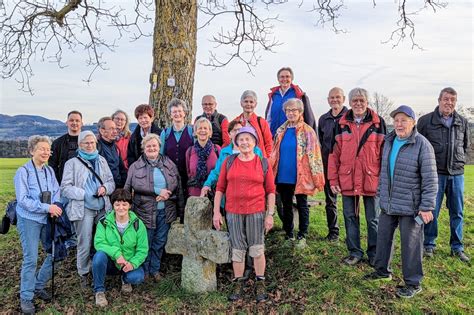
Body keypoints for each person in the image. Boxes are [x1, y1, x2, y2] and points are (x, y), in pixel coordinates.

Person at [364, 105, 437, 299]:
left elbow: (430, 178)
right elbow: (384, 170)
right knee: (383, 237)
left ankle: (413, 283)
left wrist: (427, 207)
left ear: (413, 122)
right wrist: (380, 192)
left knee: (411, 244)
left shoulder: (422, 145)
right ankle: (381, 271)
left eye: (404, 120)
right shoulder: (389, 141)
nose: (399, 124)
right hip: (388, 203)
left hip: (410, 206)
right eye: (396, 120)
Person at [213, 126, 276, 303]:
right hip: (233, 212)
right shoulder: (229, 161)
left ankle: (260, 281)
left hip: (256, 212)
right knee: (238, 249)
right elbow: (220, 189)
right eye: (241, 139)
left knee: (256, 248)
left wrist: (270, 214)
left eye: (248, 139)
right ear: (236, 142)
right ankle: (239, 282)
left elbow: (271, 190)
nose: (244, 142)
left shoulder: (262, 163)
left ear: (255, 142)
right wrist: (216, 212)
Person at [328, 88, 386, 266]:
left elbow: (384, 152)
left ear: (367, 102)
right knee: (350, 217)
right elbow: (333, 153)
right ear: (350, 103)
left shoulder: (378, 123)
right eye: (355, 101)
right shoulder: (342, 123)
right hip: (348, 178)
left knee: (373, 219)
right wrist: (333, 179)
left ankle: (375, 253)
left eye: (362, 100)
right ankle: (354, 252)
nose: (358, 104)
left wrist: (384, 180)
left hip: (371, 178)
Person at [418, 87, 471, 262]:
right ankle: (429, 245)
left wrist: (458, 162)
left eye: (452, 100)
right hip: (435, 174)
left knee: (457, 212)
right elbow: (419, 147)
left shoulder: (462, 121)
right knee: (431, 210)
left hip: (457, 174)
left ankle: (457, 247)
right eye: (446, 99)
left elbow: (465, 146)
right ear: (439, 100)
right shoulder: (425, 121)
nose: (449, 103)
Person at [125, 133, 185, 281]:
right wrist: (157, 191)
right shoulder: (136, 167)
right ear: (143, 148)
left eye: (154, 145)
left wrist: (170, 197)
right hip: (144, 212)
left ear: (159, 147)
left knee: (159, 242)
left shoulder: (169, 164)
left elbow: (178, 185)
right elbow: (131, 186)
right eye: (148, 146)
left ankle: (155, 270)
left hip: (165, 211)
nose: (151, 148)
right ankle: (144, 271)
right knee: (145, 243)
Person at [14, 135, 63, 314]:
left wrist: (56, 205)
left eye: (47, 149)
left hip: (48, 218)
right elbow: (23, 200)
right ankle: (26, 297)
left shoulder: (49, 171)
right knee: (31, 259)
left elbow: (56, 191)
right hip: (30, 219)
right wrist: (46, 207)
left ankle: (38, 285)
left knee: (56, 252)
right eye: (41, 148)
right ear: (32, 150)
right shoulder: (23, 172)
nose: (45, 152)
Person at [61, 131, 115, 287]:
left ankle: (105, 268)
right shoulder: (72, 163)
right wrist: (83, 194)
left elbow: (111, 182)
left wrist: (105, 188)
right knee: (84, 241)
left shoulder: (102, 161)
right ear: (80, 145)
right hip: (83, 208)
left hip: (103, 208)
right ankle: (83, 272)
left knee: (106, 239)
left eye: (92, 142)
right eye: (86, 143)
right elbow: (65, 188)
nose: (90, 145)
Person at [270, 98, 325, 247]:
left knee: (302, 205)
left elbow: (315, 155)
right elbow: (274, 152)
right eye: (288, 110)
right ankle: (289, 235)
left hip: (301, 175)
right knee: (285, 205)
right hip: (283, 174)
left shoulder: (308, 131)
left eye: (294, 110)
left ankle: (302, 235)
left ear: (300, 111)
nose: (291, 113)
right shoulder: (280, 130)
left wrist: (317, 177)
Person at [92, 189, 148, 307]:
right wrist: (117, 254)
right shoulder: (104, 222)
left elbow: (142, 250)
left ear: (130, 206)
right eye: (117, 204)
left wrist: (132, 263)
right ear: (113, 206)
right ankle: (99, 291)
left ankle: (125, 279)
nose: (121, 208)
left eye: (124, 204)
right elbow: (99, 243)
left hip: (128, 262)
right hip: (111, 263)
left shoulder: (138, 224)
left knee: (137, 277)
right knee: (99, 256)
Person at [200, 120, 263, 200]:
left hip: (252, 196)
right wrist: (207, 184)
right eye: (234, 130)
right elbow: (216, 172)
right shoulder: (224, 152)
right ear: (229, 134)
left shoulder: (256, 151)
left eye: (240, 129)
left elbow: (263, 172)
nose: (238, 132)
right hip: (229, 196)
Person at [318, 87, 348, 242]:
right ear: (328, 100)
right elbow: (321, 141)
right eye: (332, 98)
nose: (335, 100)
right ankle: (333, 232)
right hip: (328, 164)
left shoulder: (349, 117)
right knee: (330, 201)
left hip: (347, 165)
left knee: (350, 203)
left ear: (343, 98)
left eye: (338, 97)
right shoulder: (323, 119)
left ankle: (352, 235)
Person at [265, 67, 317, 136]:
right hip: (274, 135)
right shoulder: (274, 95)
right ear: (278, 79)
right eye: (282, 77)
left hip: (292, 136)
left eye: (287, 77)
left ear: (291, 79)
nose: (284, 79)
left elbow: (307, 116)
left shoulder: (298, 94)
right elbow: (269, 118)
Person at [160, 98, 194, 197]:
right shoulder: (165, 133)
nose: (177, 114)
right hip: (170, 178)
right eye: (174, 111)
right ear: (170, 115)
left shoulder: (191, 131)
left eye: (179, 111)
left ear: (184, 113)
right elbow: (161, 156)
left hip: (188, 178)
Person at [185, 117, 221, 197]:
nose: (202, 130)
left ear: (210, 132)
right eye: (200, 128)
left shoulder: (217, 149)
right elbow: (188, 173)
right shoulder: (190, 151)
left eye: (205, 128)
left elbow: (220, 172)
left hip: (213, 193)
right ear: (195, 132)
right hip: (194, 194)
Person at [232, 90, 273, 157]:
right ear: (241, 103)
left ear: (255, 104)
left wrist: (266, 160)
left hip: (258, 160)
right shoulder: (235, 122)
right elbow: (230, 143)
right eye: (246, 101)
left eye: (251, 102)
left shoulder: (261, 122)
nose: (248, 104)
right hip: (240, 160)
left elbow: (269, 143)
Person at [49, 110, 83, 183]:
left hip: (85, 183)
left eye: (77, 121)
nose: (74, 123)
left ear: (82, 123)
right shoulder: (57, 143)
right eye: (71, 120)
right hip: (64, 183)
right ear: (66, 123)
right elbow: (52, 165)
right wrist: (58, 182)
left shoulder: (89, 142)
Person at [97, 117, 127, 188]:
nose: (115, 131)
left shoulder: (115, 147)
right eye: (111, 129)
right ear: (102, 131)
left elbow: (122, 169)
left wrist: (124, 187)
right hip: (103, 189)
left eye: (115, 128)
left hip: (117, 189)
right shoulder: (96, 147)